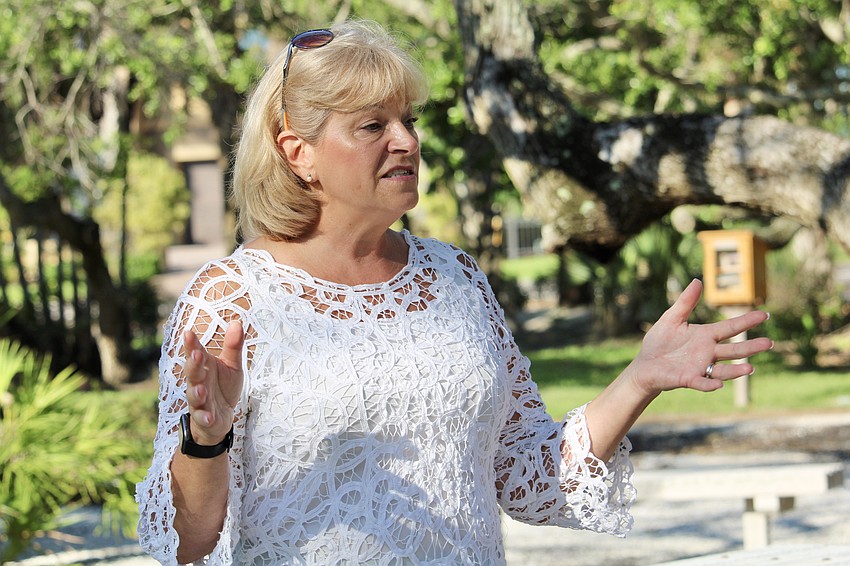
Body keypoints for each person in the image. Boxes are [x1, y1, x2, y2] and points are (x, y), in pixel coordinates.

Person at [135, 19, 773, 566]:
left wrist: (639, 378)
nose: (407, 141)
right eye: (371, 126)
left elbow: (530, 479)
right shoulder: (232, 298)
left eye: (408, 121)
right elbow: (184, 542)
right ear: (297, 152)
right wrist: (206, 440)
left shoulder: (455, 279)